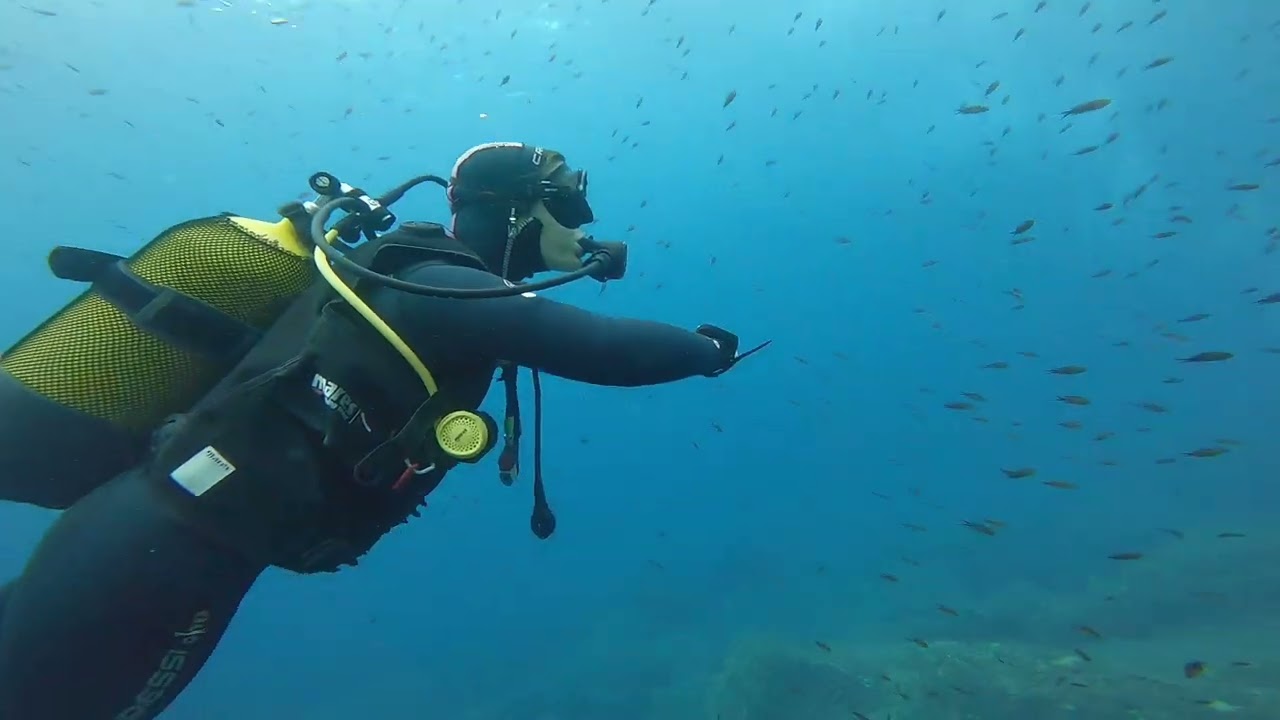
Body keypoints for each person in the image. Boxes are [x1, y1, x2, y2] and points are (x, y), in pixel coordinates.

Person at [0, 142, 768, 719]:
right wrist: (708, 350)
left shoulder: (416, 283)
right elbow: (605, 350)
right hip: (159, 558)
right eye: (566, 206)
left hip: (175, 552)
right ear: (514, 210)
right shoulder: (432, 285)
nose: (585, 225)